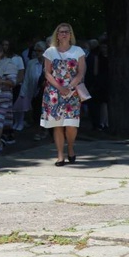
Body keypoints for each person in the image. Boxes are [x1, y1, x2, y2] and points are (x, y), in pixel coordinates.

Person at [40, 23, 87, 166]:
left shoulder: (78, 51)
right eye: (61, 32)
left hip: (72, 91)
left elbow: (81, 72)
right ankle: (60, 155)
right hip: (54, 91)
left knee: (71, 125)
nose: (64, 34)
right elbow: (47, 72)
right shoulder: (50, 51)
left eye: (67, 32)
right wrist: (60, 87)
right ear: (57, 35)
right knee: (57, 124)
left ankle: (70, 147)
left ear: (71, 34)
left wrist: (70, 86)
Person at [17, 41, 49, 141]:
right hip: (34, 92)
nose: (37, 53)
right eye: (36, 50)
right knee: (36, 112)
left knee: (44, 112)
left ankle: (43, 130)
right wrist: (23, 93)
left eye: (40, 50)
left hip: (47, 93)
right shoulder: (31, 63)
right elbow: (26, 79)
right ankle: (40, 130)